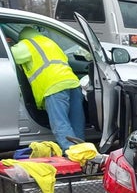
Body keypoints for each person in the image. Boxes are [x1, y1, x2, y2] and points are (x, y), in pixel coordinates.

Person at [10, 26, 84, 154]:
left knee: (60, 122)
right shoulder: (49, 42)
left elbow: (10, 55)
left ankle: (71, 152)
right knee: (76, 121)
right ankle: (83, 150)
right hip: (73, 83)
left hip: (54, 86)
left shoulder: (26, 44)